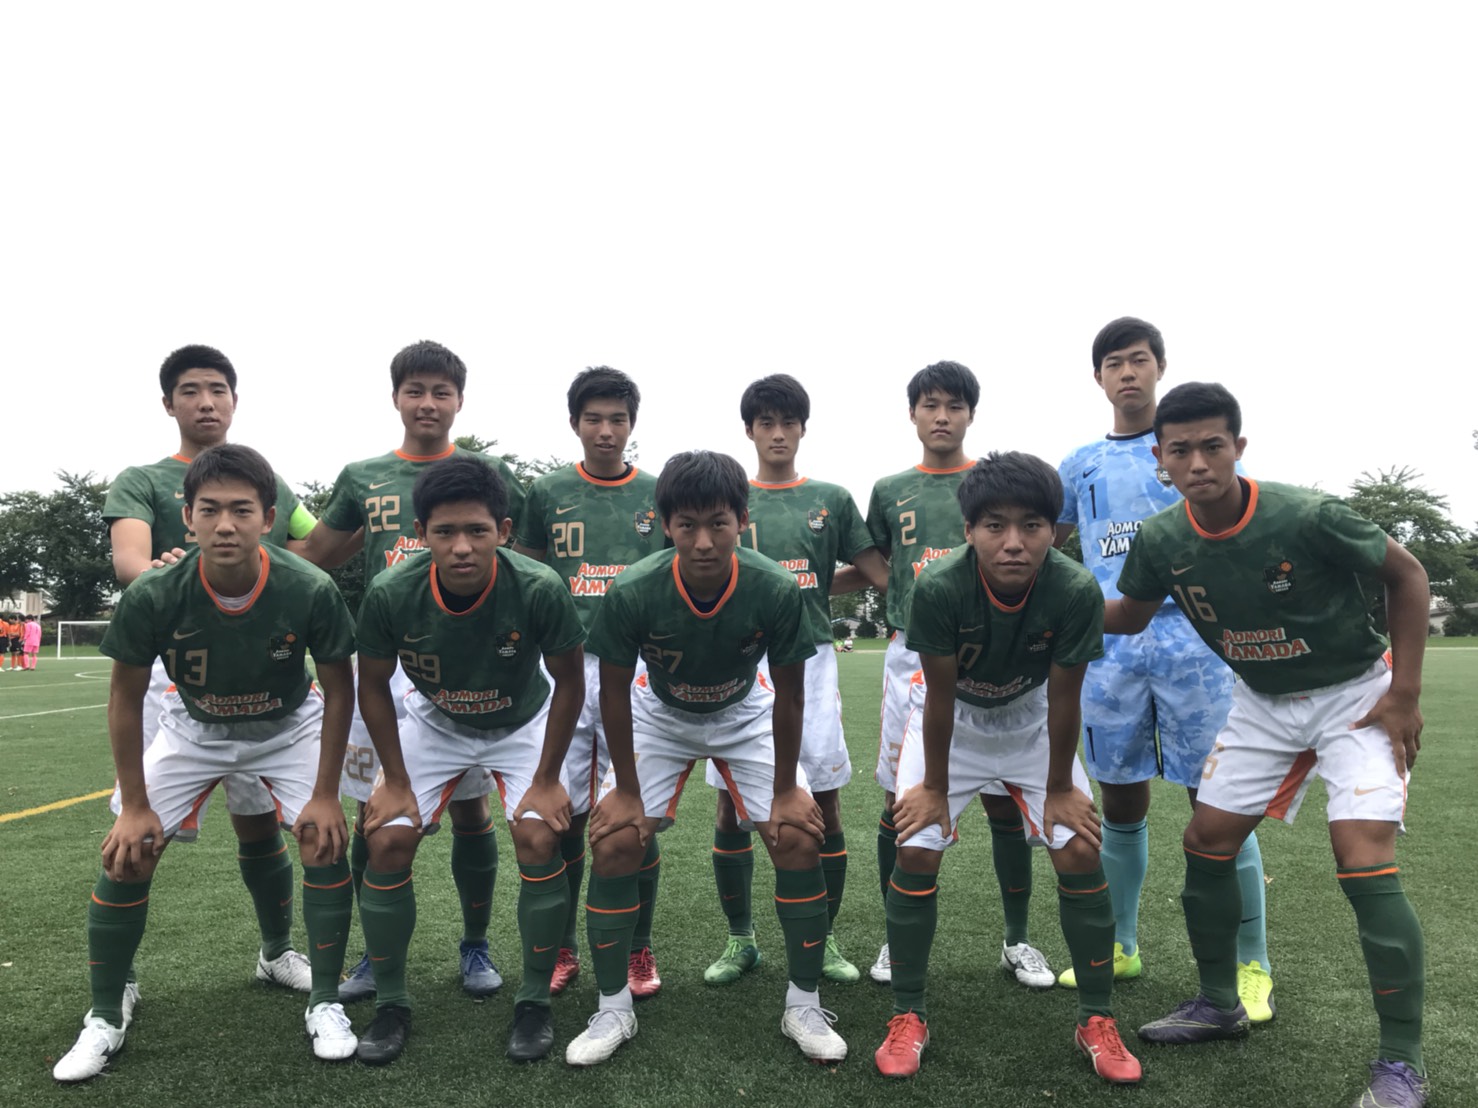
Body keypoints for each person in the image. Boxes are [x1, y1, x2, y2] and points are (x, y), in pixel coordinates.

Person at [1108, 383, 1430, 1108]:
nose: (1198, 463)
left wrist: (1404, 693)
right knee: (1206, 840)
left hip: (1355, 697)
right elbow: (1128, 613)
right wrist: (1044, 608)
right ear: (1161, 459)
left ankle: (1402, 1063)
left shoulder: (1307, 515)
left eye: (1212, 446)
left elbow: (1407, 574)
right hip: (1260, 702)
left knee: (1363, 857)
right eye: (1181, 450)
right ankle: (1219, 1004)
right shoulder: (1161, 539)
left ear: (1238, 448)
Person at [53, 445, 359, 1082]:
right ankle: (107, 1011)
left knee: (323, 837)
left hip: (286, 726)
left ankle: (324, 999)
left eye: (242, 510)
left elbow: (340, 689)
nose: (225, 525)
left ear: (268, 519)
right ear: (187, 518)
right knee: (128, 850)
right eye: (210, 510)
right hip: (193, 725)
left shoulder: (309, 586)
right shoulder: (156, 592)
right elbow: (124, 698)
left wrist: (327, 793)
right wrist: (135, 805)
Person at [565, 451, 845, 1068]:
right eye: (686, 524)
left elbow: (791, 693)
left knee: (799, 836)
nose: (702, 541)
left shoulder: (774, 585)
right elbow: (612, 690)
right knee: (615, 840)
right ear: (665, 524)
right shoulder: (634, 588)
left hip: (745, 711)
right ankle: (612, 1008)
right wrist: (627, 792)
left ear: (742, 520)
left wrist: (785, 790)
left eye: (718, 523)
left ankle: (804, 1003)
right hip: (659, 714)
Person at [873, 452, 1141, 1084]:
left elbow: (1066, 697)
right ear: (969, 530)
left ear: (1055, 531)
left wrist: (1059, 788)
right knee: (916, 845)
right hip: (956, 722)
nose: (1014, 542)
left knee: (1079, 848)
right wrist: (934, 788)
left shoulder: (1074, 589)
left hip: (1031, 720)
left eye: (1032, 525)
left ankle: (1096, 1018)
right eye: (995, 526)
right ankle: (908, 1013)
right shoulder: (940, 587)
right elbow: (940, 699)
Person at [1054, 318, 1272, 1020]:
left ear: (1160, 367)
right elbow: (1050, 542)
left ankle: (1252, 965)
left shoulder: (1191, 452)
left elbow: (1239, 532)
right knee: (1119, 801)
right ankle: (1121, 945)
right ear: (1098, 377)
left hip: (1196, 649)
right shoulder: (1080, 463)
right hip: (1111, 651)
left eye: (1140, 359)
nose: (1128, 372)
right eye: (1114, 362)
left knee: (1221, 804)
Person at [299, 339, 529, 1004]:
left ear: (460, 401)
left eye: (441, 392)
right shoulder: (363, 476)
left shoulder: (487, 473)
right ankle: (376, 954)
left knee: (471, 810)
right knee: (376, 812)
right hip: (383, 663)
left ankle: (475, 944)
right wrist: (216, 559)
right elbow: (316, 554)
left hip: (468, 663)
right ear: (395, 397)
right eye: (415, 391)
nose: (428, 403)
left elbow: (525, 552)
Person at [351, 455, 585, 1064]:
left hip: (521, 722)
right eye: (445, 531)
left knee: (539, 834)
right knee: (386, 836)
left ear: (503, 531)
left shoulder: (538, 586)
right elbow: (371, 684)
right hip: (436, 723)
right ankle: (391, 1004)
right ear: (421, 533)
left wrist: (547, 778)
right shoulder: (391, 592)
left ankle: (533, 1002)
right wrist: (394, 779)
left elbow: (570, 681)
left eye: (477, 531)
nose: (461, 547)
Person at [101, 344, 319, 994]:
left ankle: (276, 952)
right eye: (191, 390)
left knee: (259, 821)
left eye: (218, 389)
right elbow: (129, 562)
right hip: (173, 671)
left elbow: (311, 545)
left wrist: (362, 516)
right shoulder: (141, 479)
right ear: (168, 403)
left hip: (258, 674)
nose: (206, 402)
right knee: (140, 827)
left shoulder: (265, 480)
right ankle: (118, 978)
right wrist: (170, 574)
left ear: (234, 400)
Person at [861, 361, 1052, 990]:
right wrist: (906, 599)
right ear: (912, 413)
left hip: (997, 650)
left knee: (1003, 798)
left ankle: (1017, 939)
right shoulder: (889, 490)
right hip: (911, 655)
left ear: (971, 413)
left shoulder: (996, 484)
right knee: (900, 800)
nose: (942, 417)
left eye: (955, 406)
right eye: (930, 405)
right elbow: (879, 563)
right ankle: (896, 940)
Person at [701, 374, 887, 987]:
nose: (777, 434)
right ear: (749, 430)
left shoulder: (831, 499)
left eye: (788, 423)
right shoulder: (729, 498)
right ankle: (740, 939)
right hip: (739, 662)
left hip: (810, 660)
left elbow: (873, 571)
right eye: (766, 423)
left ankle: (823, 936)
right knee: (731, 806)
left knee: (822, 800)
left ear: (803, 429)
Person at [512, 366, 666, 1000]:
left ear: (633, 424)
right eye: (594, 419)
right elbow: (525, 577)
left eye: (618, 419)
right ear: (575, 423)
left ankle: (637, 947)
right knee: (564, 815)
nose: (606, 431)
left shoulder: (657, 493)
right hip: (565, 668)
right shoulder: (547, 492)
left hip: (641, 668)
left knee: (635, 816)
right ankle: (562, 946)